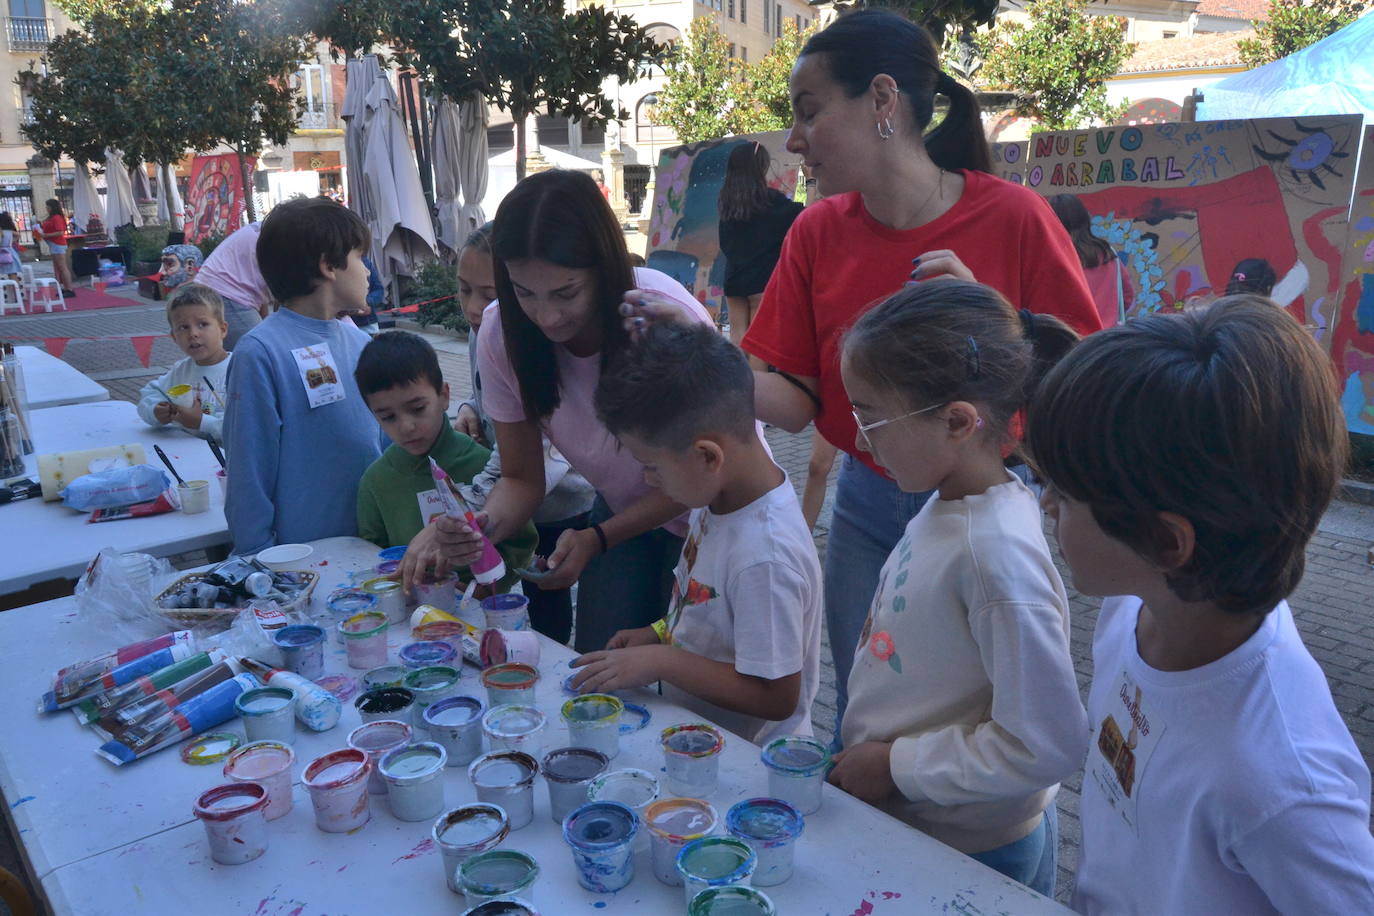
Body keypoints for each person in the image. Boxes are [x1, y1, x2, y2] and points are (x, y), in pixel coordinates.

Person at [716, 9, 1102, 741]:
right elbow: (795, 403)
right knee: (864, 716)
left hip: (985, 504)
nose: (793, 140)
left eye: (809, 111)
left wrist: (998, 320)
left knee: (981, 720)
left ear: (882, 99)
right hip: (866, 505)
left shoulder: (1016, 218)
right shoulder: (815, 231)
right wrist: (694, 360)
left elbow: (1088, 384)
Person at [1028, 297, 1374, 913]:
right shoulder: (1132, 610)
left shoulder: (1280, 782)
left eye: (1065, 492)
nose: (1045, 503)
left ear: (1166, 543)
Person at [827, 279, 1086, 895]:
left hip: (967, 853)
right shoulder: (952, 503)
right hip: (922, 828)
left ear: (958, 421)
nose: (861, 441)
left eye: (872, 417)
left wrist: (896, 766)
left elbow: (1046, 745)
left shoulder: (995, 554)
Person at [416, 168, 712, 653]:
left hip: (712, 513)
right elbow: (521, 479)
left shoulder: (657, 316)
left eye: (566, 293)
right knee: (599, 663)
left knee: (696, 669)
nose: (547, 317)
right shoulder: (501, 333)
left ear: (604, 268)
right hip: (622, 513)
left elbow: (710, 473)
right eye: (523, 292)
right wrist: (479, 528)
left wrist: (598, 537)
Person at [571, 322, 822, 744]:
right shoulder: (717, 497)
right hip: (703, 738)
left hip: (749, 759)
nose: (648, 481)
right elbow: (708, 603)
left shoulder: (765, 557)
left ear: (707, 456)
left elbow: (778, 696)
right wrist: (658, 632)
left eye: (652, 466)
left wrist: (662, 661)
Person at [449, 222, 596, 643]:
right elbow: (493, 394)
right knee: (528, 593)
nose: (473, 307)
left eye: (489, 294)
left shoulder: (537, 340)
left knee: (555, 602)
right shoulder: (484, 332)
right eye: (464, 290)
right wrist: (469, 408)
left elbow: (538, 444)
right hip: (515, 501)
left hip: (564, 502)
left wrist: (469, 511)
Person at [222, 197, 380, 555]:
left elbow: (388, 446)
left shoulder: (361, 343)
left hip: (372, 549)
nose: (368, 271)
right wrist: (257, 556)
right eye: (360, 257)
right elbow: (248, 470)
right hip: (299, 559)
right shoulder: (260, 352)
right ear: (328, 265)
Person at [353, 331, 537, 592]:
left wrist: (483, 589)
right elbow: (371, 555)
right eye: (388, 417)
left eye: (417, 409)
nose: (406, 426)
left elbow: (521, 544)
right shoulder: (375, 481)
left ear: (444, 395)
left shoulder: (484, 466)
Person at [717, 142, 804, 368]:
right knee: (758, 342)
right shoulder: (771, 201)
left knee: (737, 337)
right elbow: (805, 217)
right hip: (761, 281)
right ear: (762, 167)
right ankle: (757, 385)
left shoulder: (726, 201)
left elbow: (725, 242)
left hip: (734, 278)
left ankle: (736, 381)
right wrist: (811, 183)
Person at [136, 283, 231, 442]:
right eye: (183, 327)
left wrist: (202, 422)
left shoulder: (239, 371)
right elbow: (149, 393)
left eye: (203, 324)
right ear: (174, 337)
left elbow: (247, 428)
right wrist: (156, 410)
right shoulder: (181, 371)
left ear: (223, 329)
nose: (193, 333)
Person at [1049, 193, 1133, 328]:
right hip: (1106, 335)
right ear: (1085, 218)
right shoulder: (1108, 253)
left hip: (1070, 335)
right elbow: (1127, 296)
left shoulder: (1056, 257)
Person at [195, 221, 271, 350]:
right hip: (227, 292)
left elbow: (262, 288)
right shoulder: (283, 232)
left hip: (217, 285)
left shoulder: (269, 228)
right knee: (258, 349)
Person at [32, 199, 75, 296]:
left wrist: (46, 235)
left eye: (48, 206)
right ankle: (64, 287)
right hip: (52, 244)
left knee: (62, 267)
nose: (46, 208)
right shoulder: (51, 218)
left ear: (52, 207)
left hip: (57, 244)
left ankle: (69, 289)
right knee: (58, 268)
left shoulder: (56, 218)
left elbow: (60, 232)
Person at [0, 213, 21, 279]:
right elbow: (18, 235)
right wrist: (12, 241)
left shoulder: (1, 231)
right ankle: (15, 284)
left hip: (2, 251)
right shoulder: (10, 231)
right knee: (12, 272)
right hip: (10, 251)